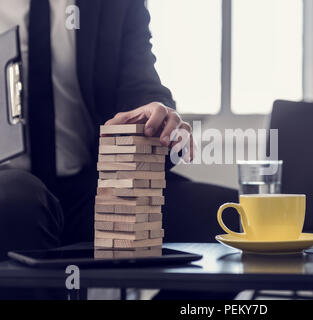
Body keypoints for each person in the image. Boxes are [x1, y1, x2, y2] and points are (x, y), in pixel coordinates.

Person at [0, 0, 238, 299]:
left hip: (93, 188)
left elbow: (140, 86)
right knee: (17, 199)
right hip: (10, 188)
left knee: (229, 218)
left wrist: (157, 114)